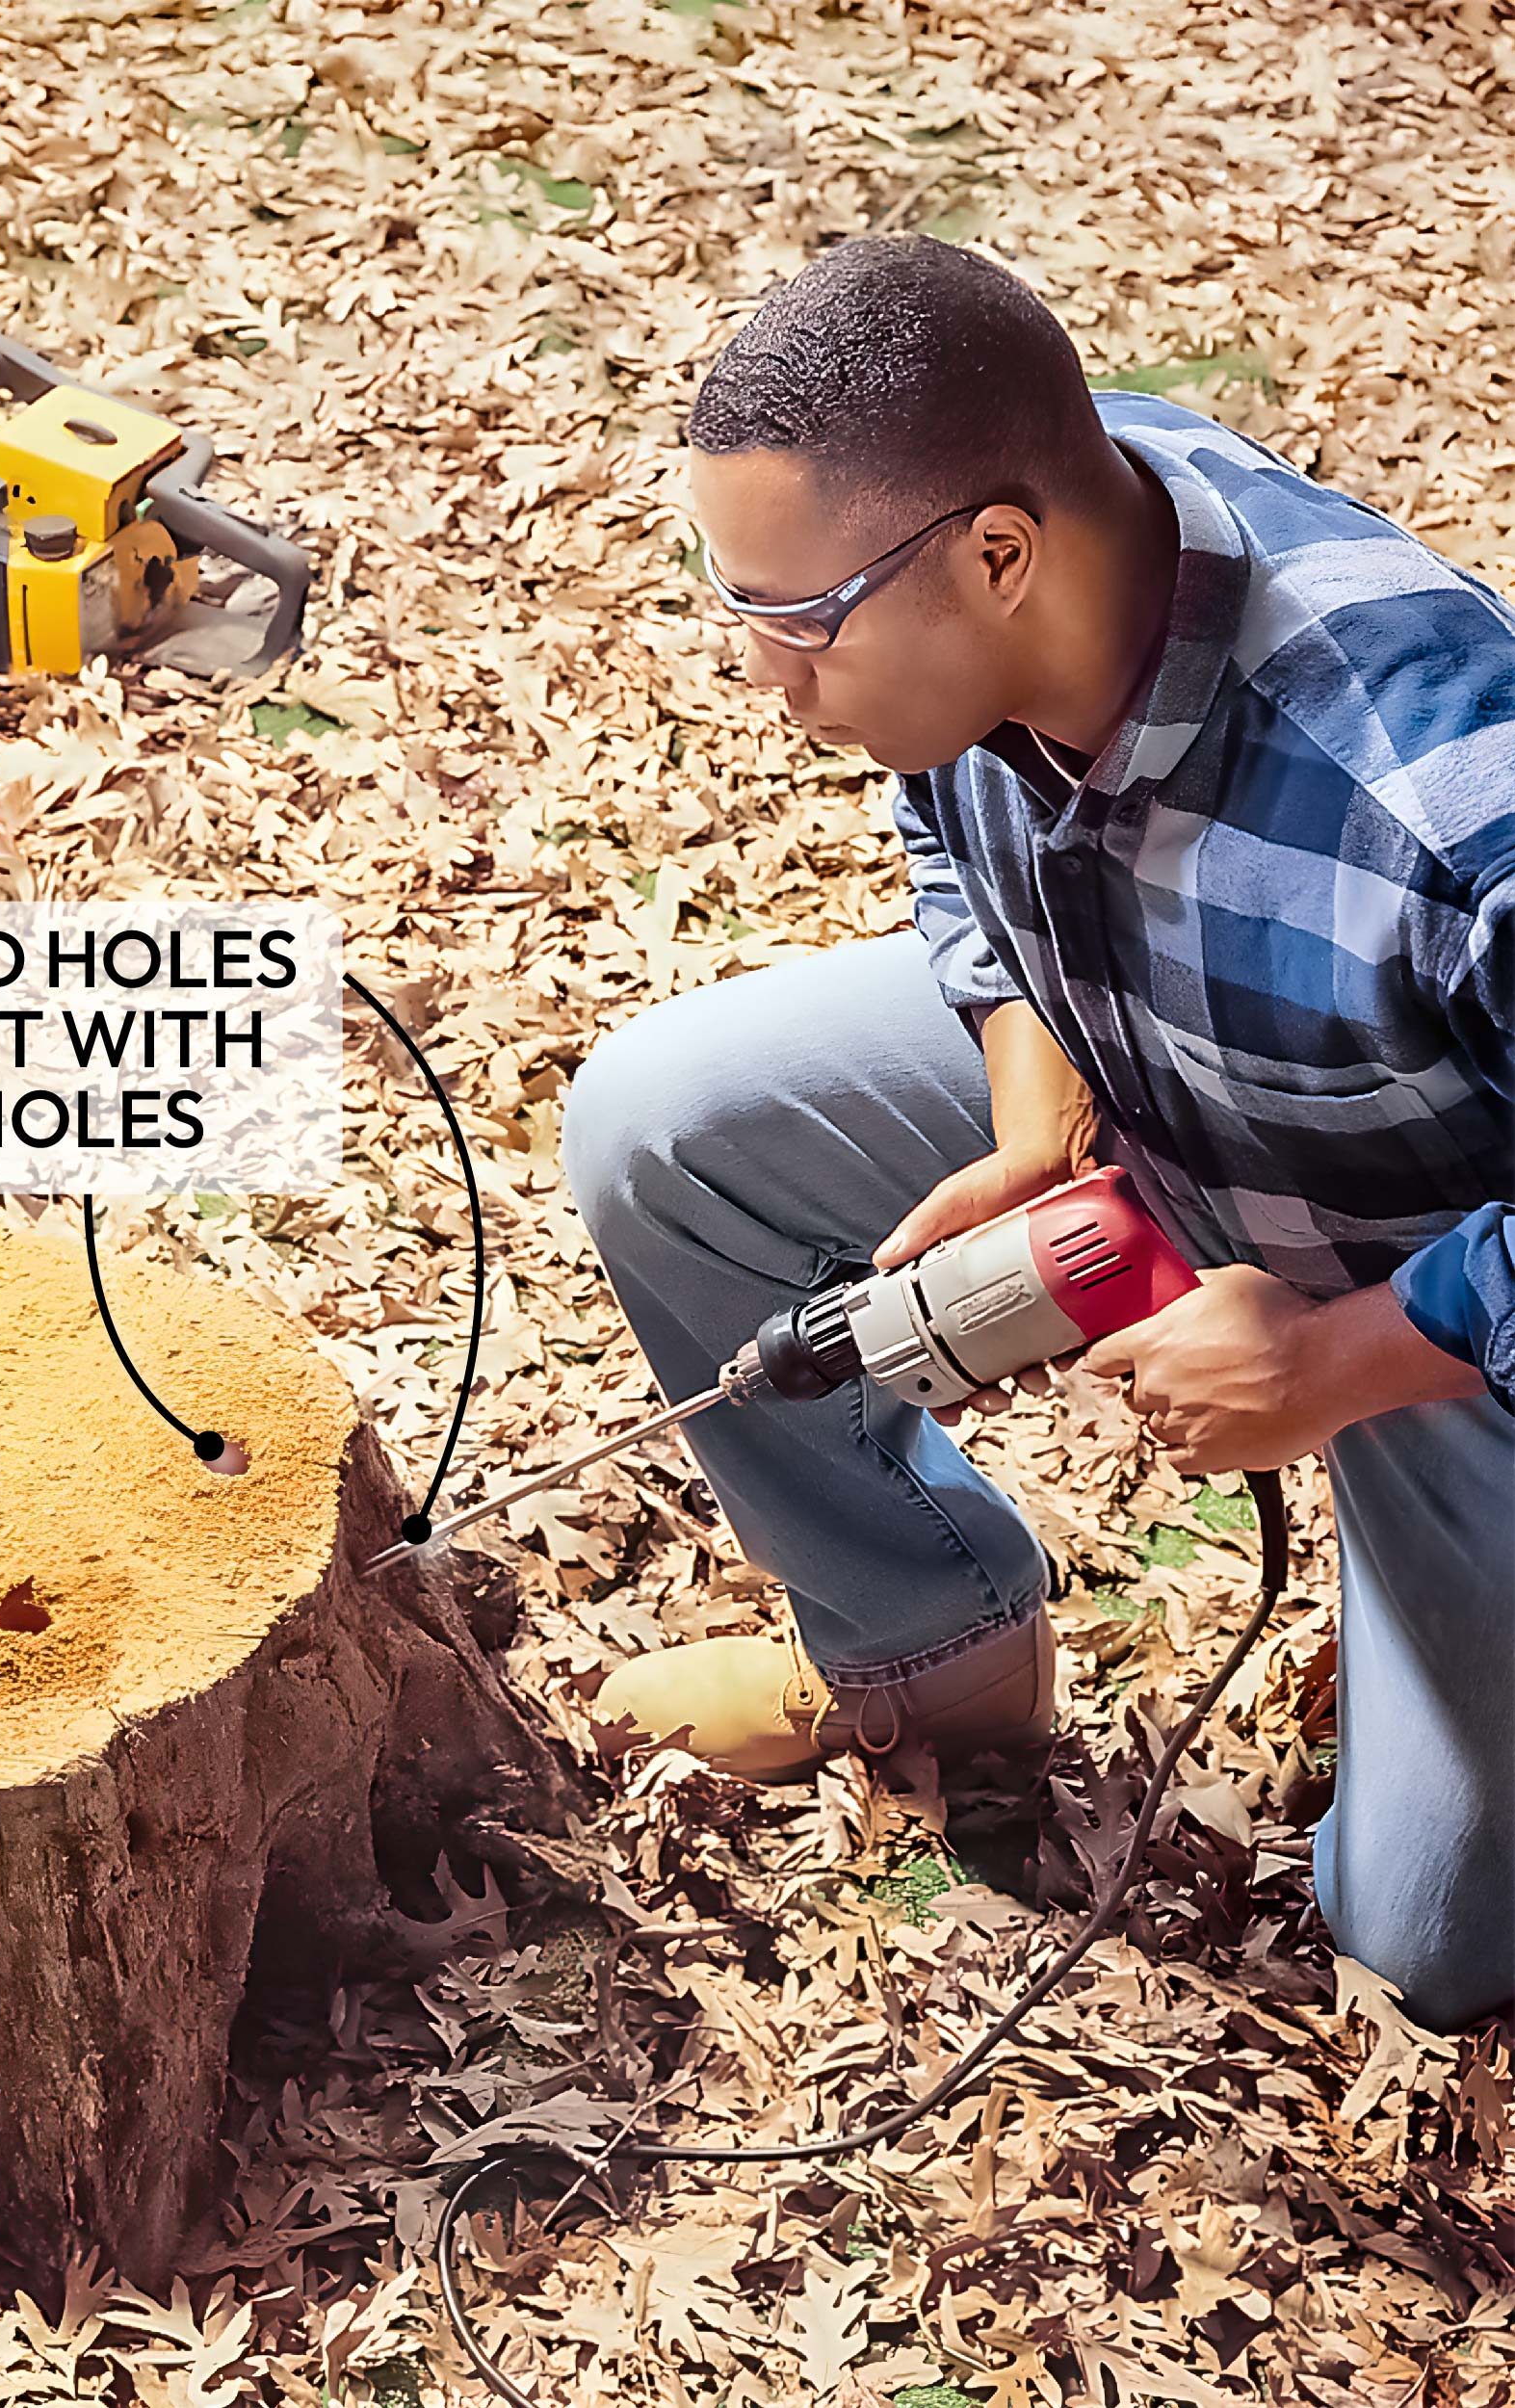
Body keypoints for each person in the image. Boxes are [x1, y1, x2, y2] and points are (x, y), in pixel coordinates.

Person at [560, 235, 1515, 2031]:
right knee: (661, 1128)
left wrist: (1334, 1358)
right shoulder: (1014, 538)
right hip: (1163, 1075)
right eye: (735, 605)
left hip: (1451, 1280)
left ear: (1000, 556)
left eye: (794, 622)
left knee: (1432, 1943)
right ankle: (926, 1656)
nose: (768, 677)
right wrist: (1033, 1116)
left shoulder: (1448, 808)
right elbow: (957, 847)